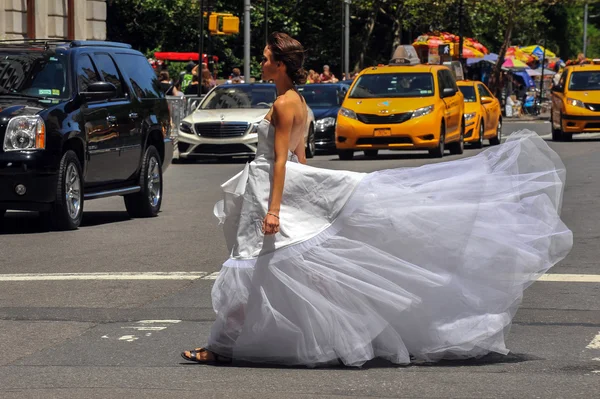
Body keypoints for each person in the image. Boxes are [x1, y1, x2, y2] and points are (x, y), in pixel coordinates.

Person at [181, 32, 572, 367]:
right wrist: (310, 199)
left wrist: (274, 211)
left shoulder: (284, 105)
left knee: (248, 267)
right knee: (281, 270)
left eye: (266, 59)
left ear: (281, 65)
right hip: (278, 189)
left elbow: (283, 161)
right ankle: (275, 342)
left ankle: (222, 347)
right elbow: (303, 159)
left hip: (270, 191)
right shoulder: (298, 101)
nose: (260, 64)